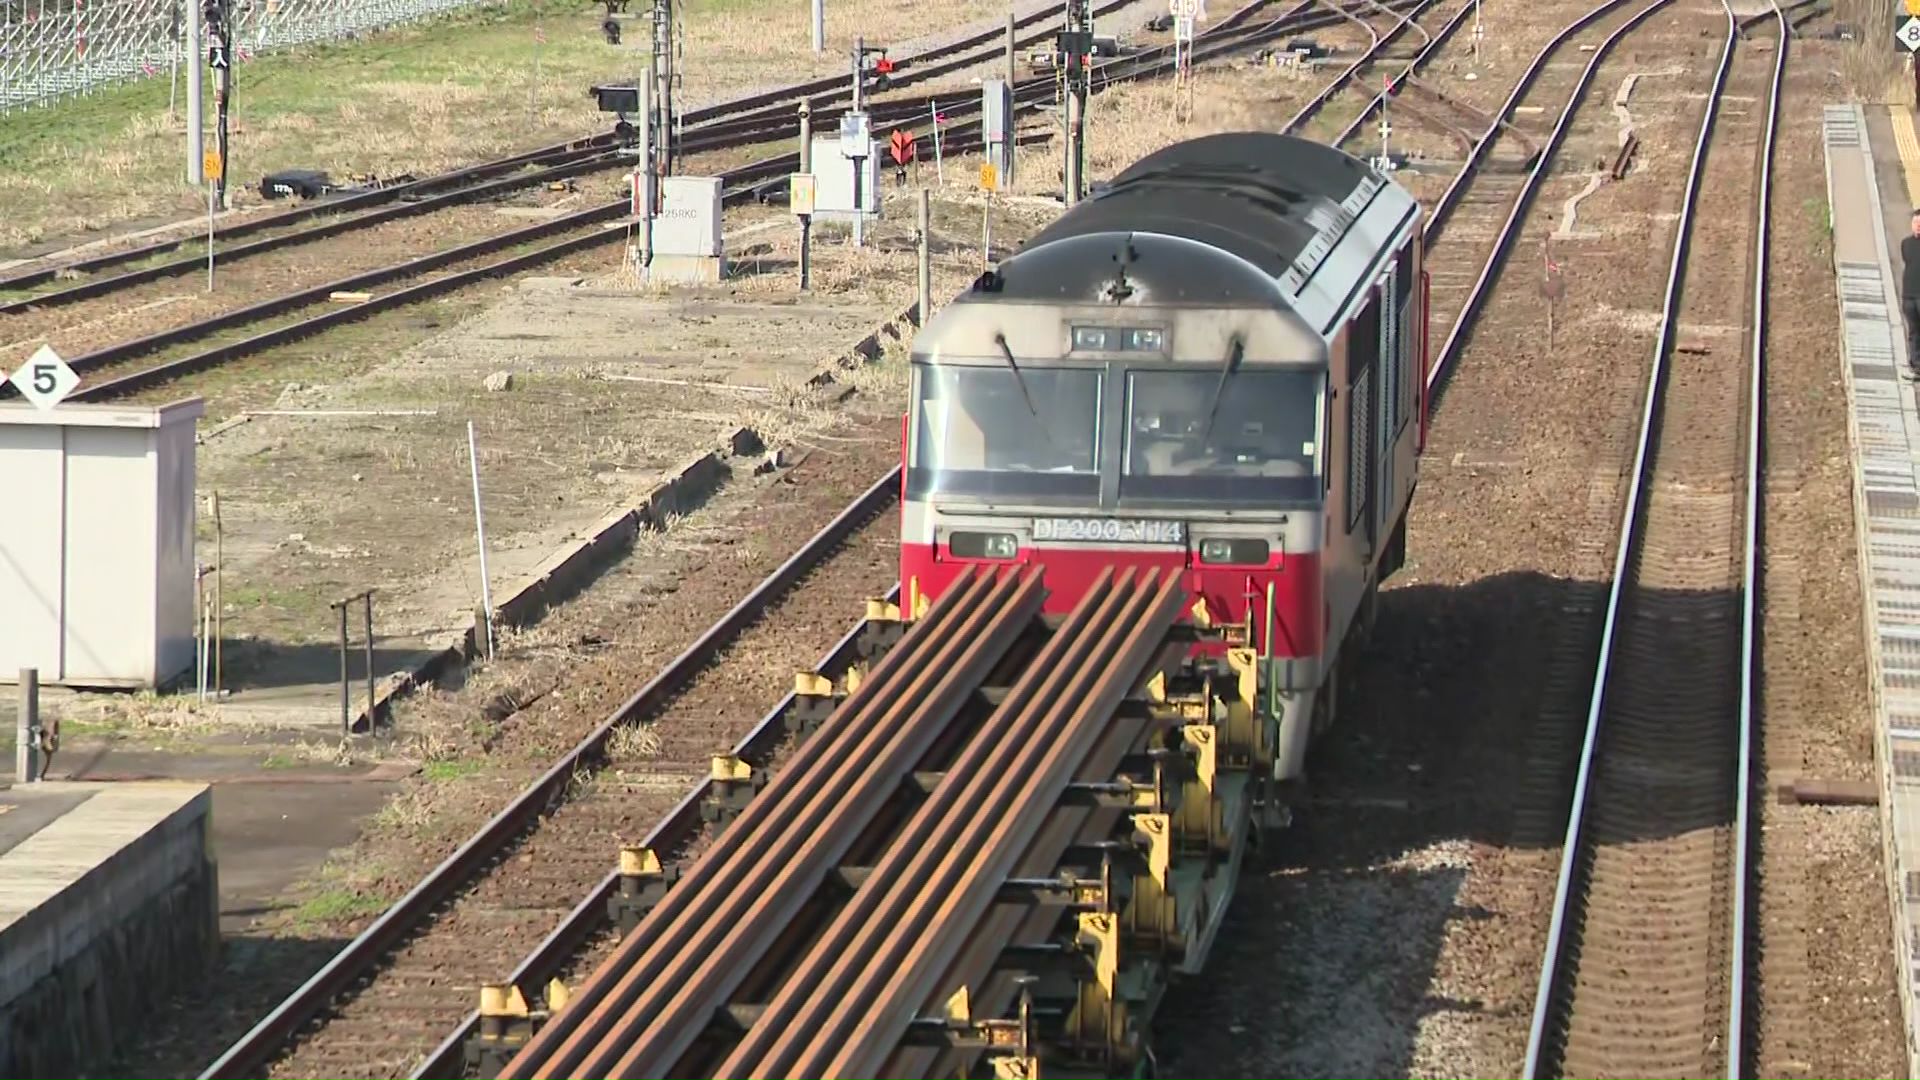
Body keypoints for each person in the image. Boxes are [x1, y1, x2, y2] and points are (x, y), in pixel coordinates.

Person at [1903, 209, 1920, 379]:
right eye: (1915, 223)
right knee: (1914, 331)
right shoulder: (1906, 244)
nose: (1918, 226)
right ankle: (1916, 365)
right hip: (1908, 296)